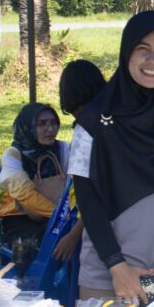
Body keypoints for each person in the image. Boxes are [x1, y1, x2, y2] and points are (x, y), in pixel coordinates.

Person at [69, 11, 154, 304]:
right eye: (143, 49)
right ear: (126, 51)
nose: (153, 61)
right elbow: (86, 197)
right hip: (108, 276)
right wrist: (116, 267)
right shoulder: (92, 121)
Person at [53, 59, 107, 262]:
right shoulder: (115, 120)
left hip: (95, 235)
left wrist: (73, 236)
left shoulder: (85, 132)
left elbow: (93, 197)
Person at [0, 103, 69, 247]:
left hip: (56, 213)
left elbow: (74, 184)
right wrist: (62, 216)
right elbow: (26, 195)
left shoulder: (62, 149)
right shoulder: (12, 155)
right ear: (28, 127)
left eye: (54, 123)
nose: (50, 129)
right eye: (42, 124)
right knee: (36, 245)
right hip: (20, 218)